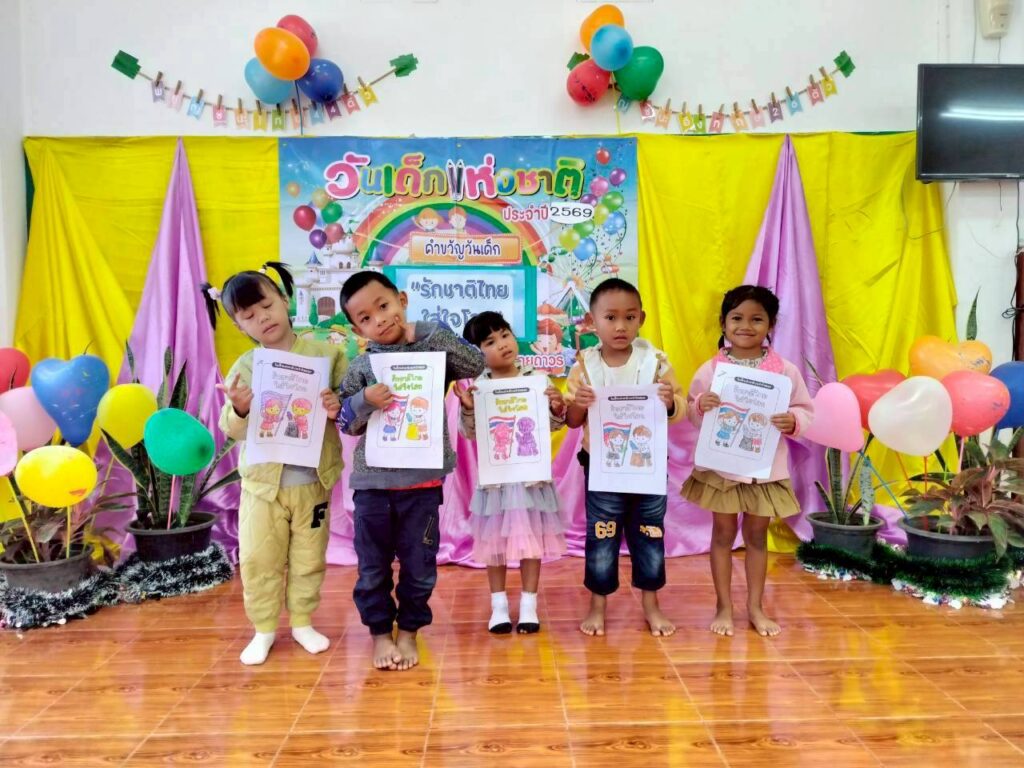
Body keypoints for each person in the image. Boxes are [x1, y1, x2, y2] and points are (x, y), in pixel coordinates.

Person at [337, 271, 485, 670]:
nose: (379, 319)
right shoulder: (363, 365)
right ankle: (380, 634)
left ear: (402, 301)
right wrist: (364, 400)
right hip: (373, 485)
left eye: (384, 306)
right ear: (357, 329)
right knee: (373, 568)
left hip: (422, 485)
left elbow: (475, 362)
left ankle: (408, 632)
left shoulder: (433, 350)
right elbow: (346, 422)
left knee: (419, 567)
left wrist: (428, 331)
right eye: (365, 318)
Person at [202, 262, 346, 666]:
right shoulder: (246, 367)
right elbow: (230, 428)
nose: (262, 318)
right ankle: (264, 628)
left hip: (313, 482)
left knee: (309, 558)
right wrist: (240, 408)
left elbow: (348, 411)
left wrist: (336, 405)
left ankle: (302, 622)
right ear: (239, 326)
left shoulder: (327, 355)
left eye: (266, 305)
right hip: (262, 487)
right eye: (249, 316)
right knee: (258, 559)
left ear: (284, 301)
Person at [681, 285, 814, 638]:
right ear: (723, 323)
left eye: (757, 319)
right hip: (722, 468)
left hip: (763, 470)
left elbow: (805, 409)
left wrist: (793, 420)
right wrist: (701, 405)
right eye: (737, 318)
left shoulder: (784, 371)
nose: (746, 326)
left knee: (756, 536)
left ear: (771, 324)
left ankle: (756, 607)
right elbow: (692, 410)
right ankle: (723, 606)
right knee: (722, 535)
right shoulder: (711, 370)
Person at [563, 278, 685, 638]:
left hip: (647, 466)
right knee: (602, 535)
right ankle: (597, 605)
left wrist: (670, 402)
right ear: (592, 321)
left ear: (641, 319)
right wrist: (578, 404)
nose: (620, 326)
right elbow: (572, 421)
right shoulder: (584, 366)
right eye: (611, 317)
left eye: (629, 317)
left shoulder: (655, 362)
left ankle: (652, 605)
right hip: (602, 466)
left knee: (650, 534)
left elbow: (678, 407)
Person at [455, 311, 567, 635]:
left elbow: (554, 425)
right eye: (490, 342)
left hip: (531, 478)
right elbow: (469, 433)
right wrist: (468, 408)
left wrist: (557, 406)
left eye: (505, 335)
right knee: (495, 544)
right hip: (497, 481)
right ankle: (499, 606)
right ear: (477, 353)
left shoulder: (537, 379)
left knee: (532, 543)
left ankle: (529, 604)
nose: (502, 344)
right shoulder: (479, 387)